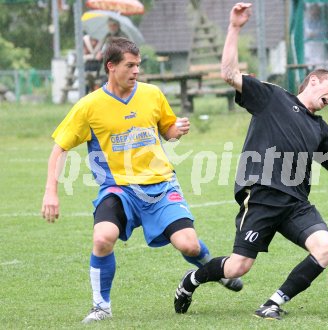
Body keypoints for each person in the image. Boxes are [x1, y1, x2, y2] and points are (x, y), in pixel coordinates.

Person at [173, 2, 328, 320]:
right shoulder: (272, 97)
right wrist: (235, 27)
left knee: (327, 249)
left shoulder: (321, 130)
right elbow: (229, 74)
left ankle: (273, 304)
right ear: (313, 81)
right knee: (240, 266)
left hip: (296, 204)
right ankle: (192, 280)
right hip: (263, 193)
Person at [41, 37, 242, 324]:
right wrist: (51, 192)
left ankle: (210, 270)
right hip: (118, 189)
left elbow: (167, 130)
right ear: (111, 66)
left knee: (189, 245)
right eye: (130, 65)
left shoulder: (152, 94)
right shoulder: (89, 106)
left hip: (161, 186)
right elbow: (59, 147)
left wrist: (177, 129)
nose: (136, 71)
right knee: (102, 238)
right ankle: (101, 306)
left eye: (138, 65)